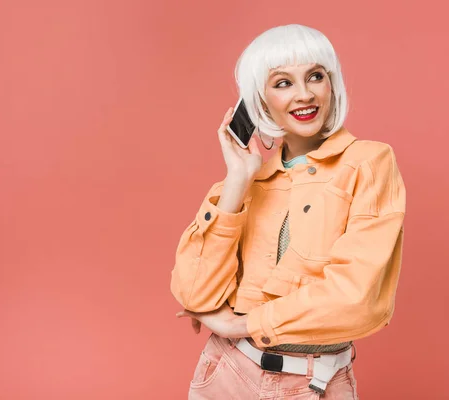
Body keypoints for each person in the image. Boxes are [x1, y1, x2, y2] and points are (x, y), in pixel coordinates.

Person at [171, 24, 406, 399]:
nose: (304, 94)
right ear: (259, 102)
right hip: (227, 374)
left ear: (332, 84)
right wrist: (236, 180)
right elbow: (195, 294)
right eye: (282, 83)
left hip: (317, 382)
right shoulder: (247, 183)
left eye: (315, 76)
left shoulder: (368, 163)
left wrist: (242, 324)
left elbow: (356, 297)